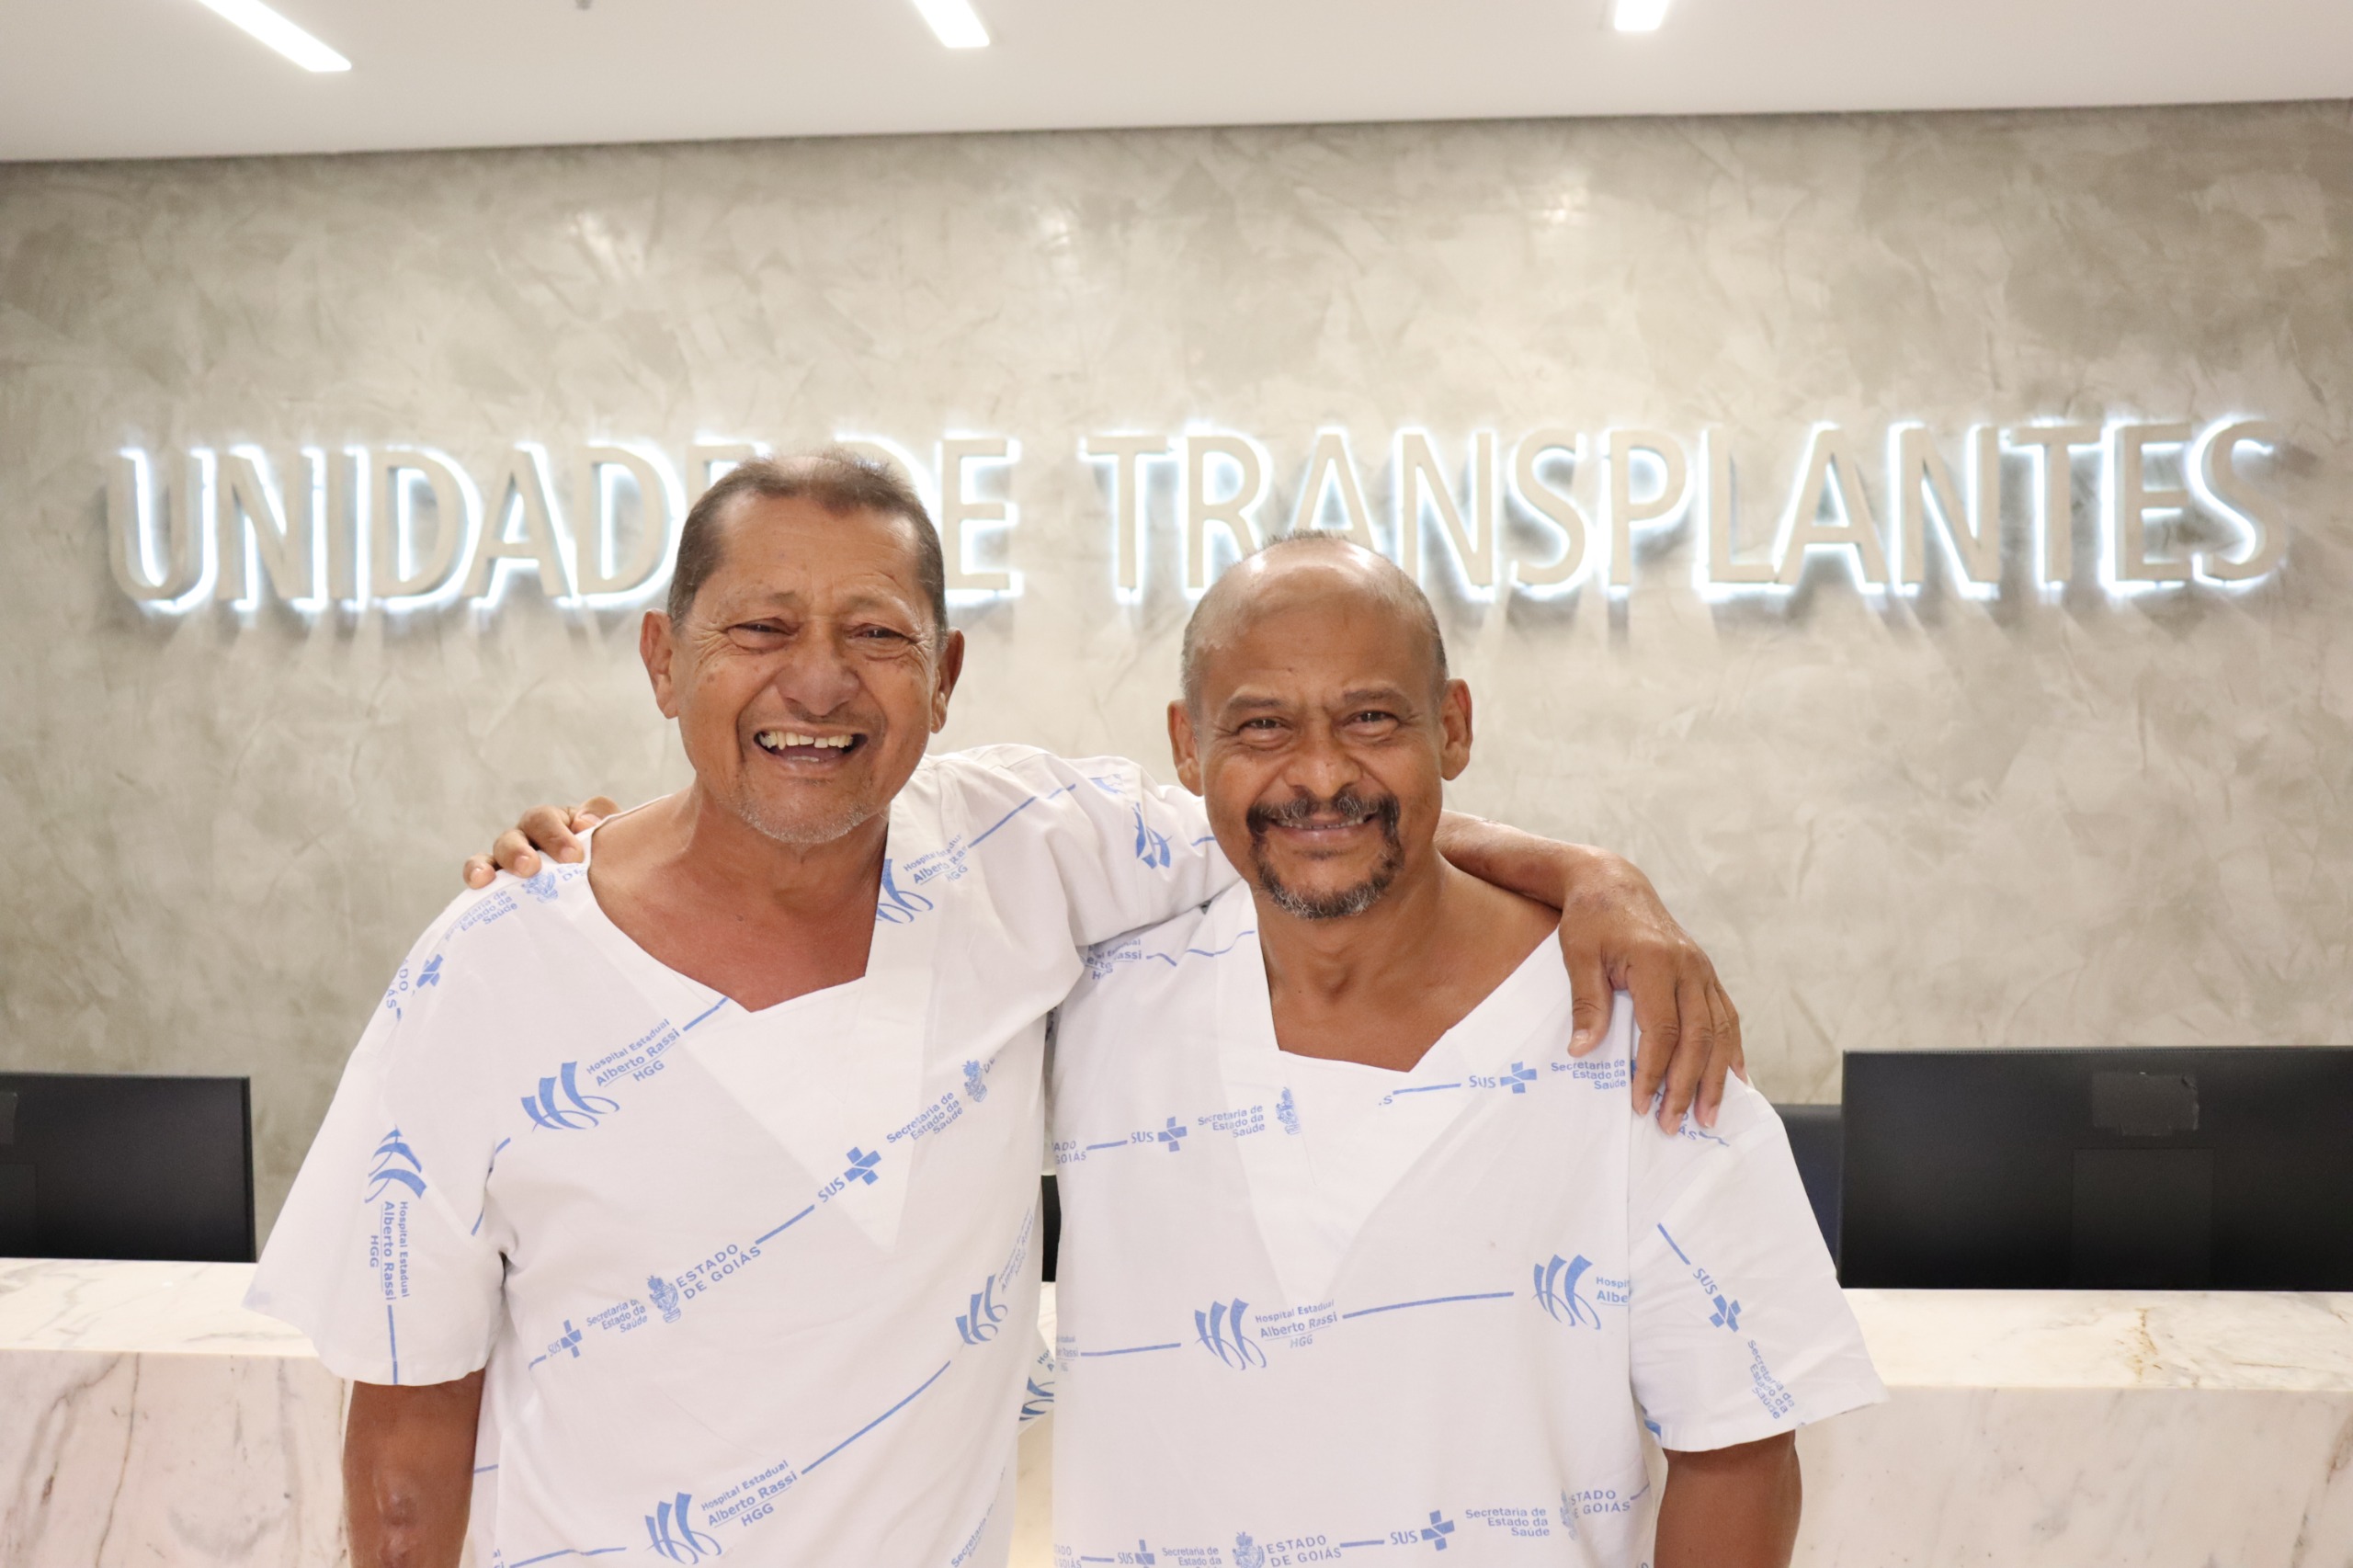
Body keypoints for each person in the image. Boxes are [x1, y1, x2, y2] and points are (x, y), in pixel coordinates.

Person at [255, 451, 1741, 1568]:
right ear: (665, 658)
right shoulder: (492, 963)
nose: (819, 682)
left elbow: (1304, 815)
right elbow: (406, 1428)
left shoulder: (1029, 849)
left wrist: (1588, 872)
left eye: (878, 633)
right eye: (761, 626)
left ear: (947, 673)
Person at [1045, 535, 1883, 1568]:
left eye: (1371, 718)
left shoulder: (1642, 1034)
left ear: (1452, 726)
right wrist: (1584, 867)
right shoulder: (1090, 995)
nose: (1320, 773)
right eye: (1262, 724)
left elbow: (1738, 1451)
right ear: (1187, 744)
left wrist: (1593, 876)